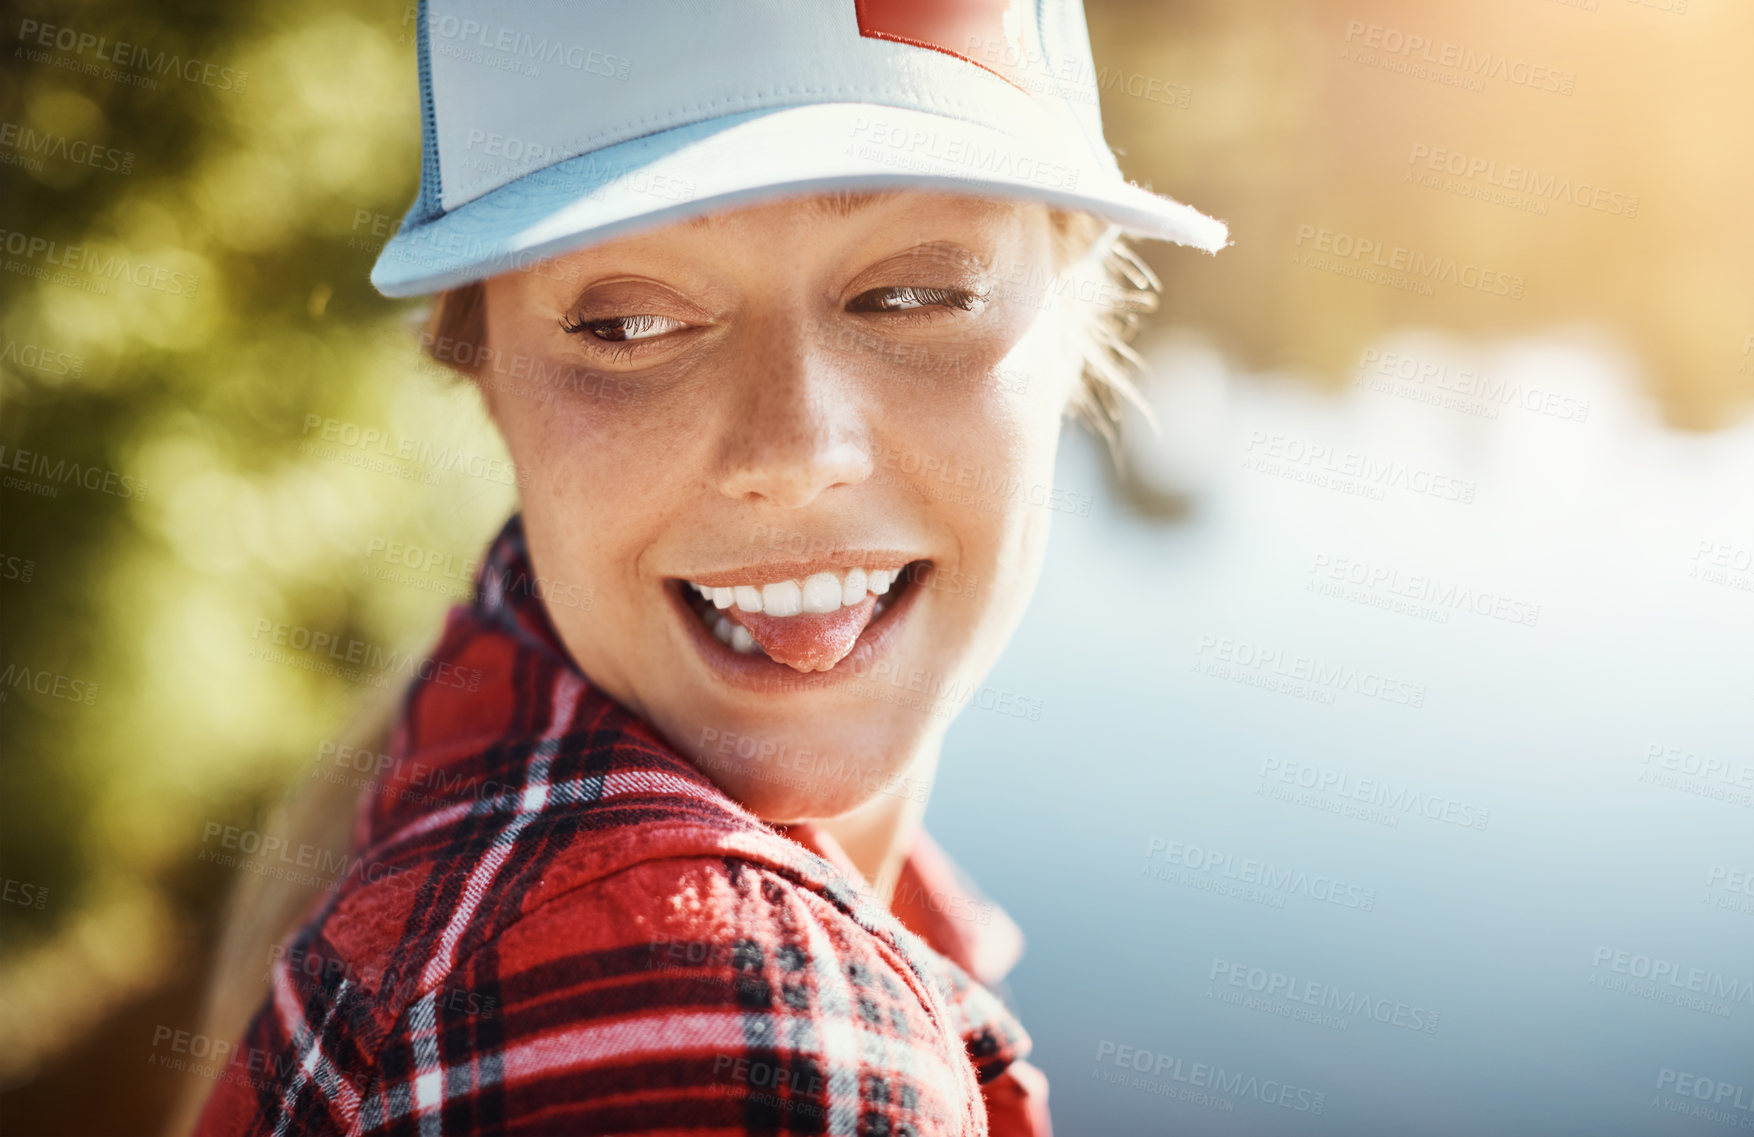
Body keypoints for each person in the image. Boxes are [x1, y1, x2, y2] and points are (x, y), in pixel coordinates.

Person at [189, 1, 1225, 1133]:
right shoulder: (748, 1034)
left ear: (1076, 329)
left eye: (914, 293)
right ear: (484, 379)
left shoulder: (462, 784)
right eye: (630, 322)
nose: (792, 455)